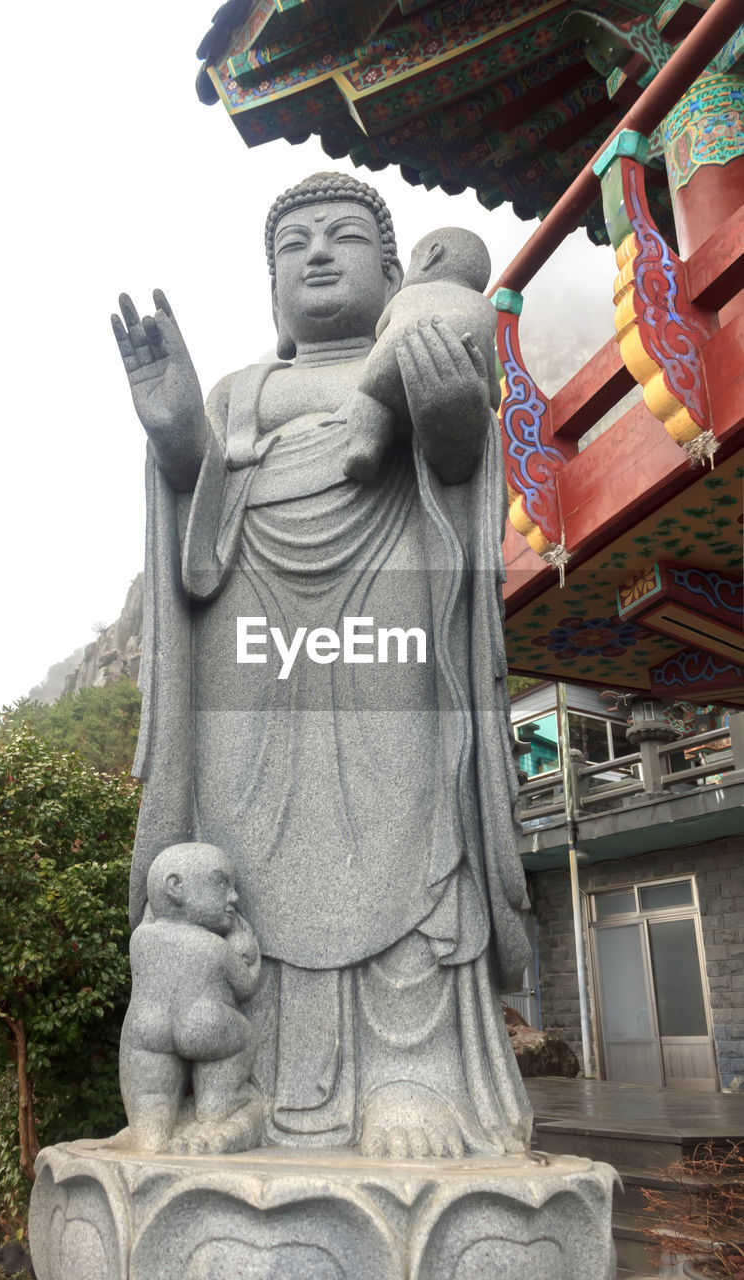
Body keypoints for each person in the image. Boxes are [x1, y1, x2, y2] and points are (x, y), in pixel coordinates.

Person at [112, 172, 532, 1158]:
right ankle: (237, 1086)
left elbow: (462, 465)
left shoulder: (411, 339)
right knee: (244, 847)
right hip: (248, 649)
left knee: (404, 817)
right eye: (294, 244)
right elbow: (196, 525)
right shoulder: (241, 392)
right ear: (270, 288)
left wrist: (442, 400)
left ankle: (409, 1073)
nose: (316, 253)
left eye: (344, 236)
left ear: (392, 272)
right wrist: (177, 427)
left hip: (385, 608)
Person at [118, 842, 261, 1154]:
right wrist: (247, 946)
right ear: (175, 887)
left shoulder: (141, 939)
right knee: (244, 1039)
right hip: (204, 1021)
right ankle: (215, 1113)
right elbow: (247, 986)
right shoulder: (216, 947)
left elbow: (148, 917)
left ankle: (150, 1136)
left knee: (151, 1102)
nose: (234, 897)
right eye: (222, 883)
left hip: (145, 1031)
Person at [342, 226, 500, 481]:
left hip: (396, 352)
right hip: (464, 365)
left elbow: (381, 328)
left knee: (371, 398)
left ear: (432, 255)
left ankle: (364, 447)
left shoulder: (407, 295)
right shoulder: (485, 307)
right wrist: (490, 398)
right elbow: (485, 357)